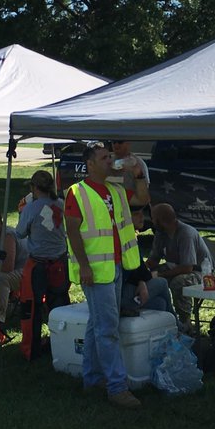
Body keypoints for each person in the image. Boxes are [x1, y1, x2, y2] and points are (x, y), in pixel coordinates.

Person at [66, 141, 148, 408]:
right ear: (90, 164)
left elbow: (142, 199)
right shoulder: (77, 192)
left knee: (97, 326)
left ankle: (92, 378)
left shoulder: (115, 190)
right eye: (104, 157)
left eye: (110, 156)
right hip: (96, 271)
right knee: (107, 329)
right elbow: (73, 231)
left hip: (115, 266)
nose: (110, 160)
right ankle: (116, 387)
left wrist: (137, 174)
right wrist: (85, 266)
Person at [14, 170, 72, 360]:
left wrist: (22, 213)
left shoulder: (31, 208)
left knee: (32, 308)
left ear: (34, 187)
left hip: (38, 264)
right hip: (60, 262)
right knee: (60, 305)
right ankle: (64, 345)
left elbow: (20, 233)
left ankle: (32, 350)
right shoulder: (61, 204)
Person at [145, 202, 213, 328]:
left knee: (179, 282)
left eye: (154, 219)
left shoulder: (186, 234)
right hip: (176, 267)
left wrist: (159, 274)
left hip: (202, 273)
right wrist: (142, 271)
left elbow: (187, 267)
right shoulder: (161, 234)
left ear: (160, 221)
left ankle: (185, 321)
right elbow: (153, 260)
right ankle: (161, 314)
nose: (152, 221)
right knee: (147, 277)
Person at [108, 140, 150, 231]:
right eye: (113, 142)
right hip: (113, 205)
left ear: (128, 143)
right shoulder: (108, 161)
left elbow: (144, 192)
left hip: (132, 207)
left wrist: (136, 172)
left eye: (120, 142)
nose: (116, 144)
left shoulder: (137, 163)